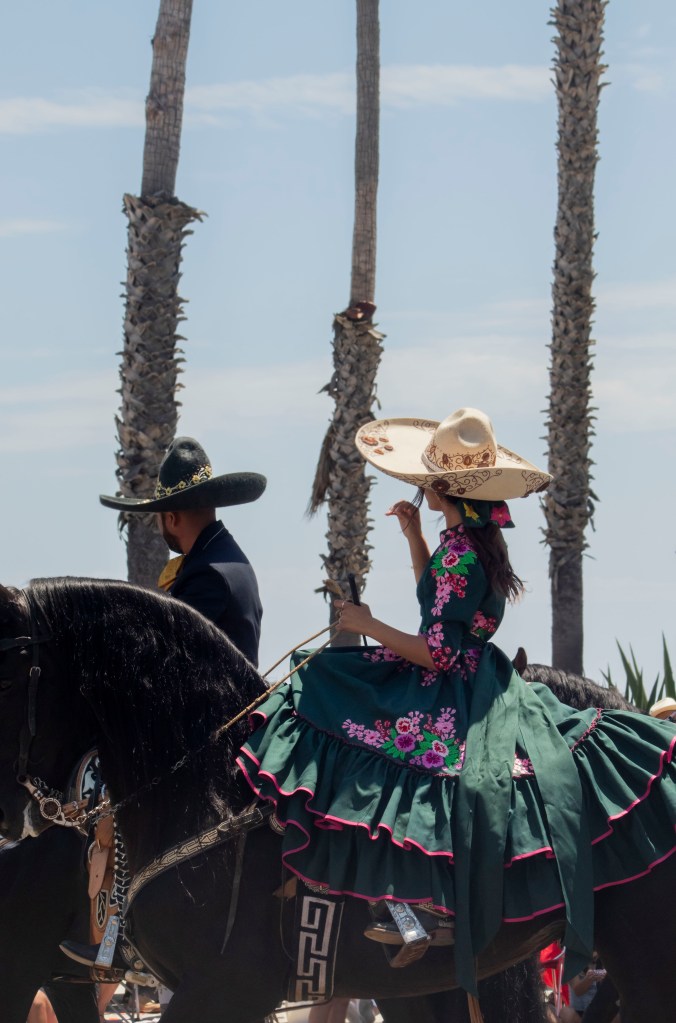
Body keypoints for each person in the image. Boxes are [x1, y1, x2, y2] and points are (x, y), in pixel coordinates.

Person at [236, 408, 676, 994]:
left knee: (399, 759)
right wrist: (415, 537)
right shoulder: (467, 545)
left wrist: (366, 624)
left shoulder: (460, 554)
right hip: (473, 674)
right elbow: (438, 602)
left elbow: (439, 650)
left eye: (427, 482)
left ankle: (420, 906)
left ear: (440, 488)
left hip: (449, 683)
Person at [61, 436, 267, 992]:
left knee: (112, 801)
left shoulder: (206, 576)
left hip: (206, 740)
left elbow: (174, 672)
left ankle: (121, 938)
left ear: (171, 516)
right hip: (220, 728)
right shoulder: (220, 560)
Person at [99, 435, 266, 666]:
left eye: (158, 518)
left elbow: (167, 652)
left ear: (171, 518)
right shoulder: (220, 554)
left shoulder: (208, 574)